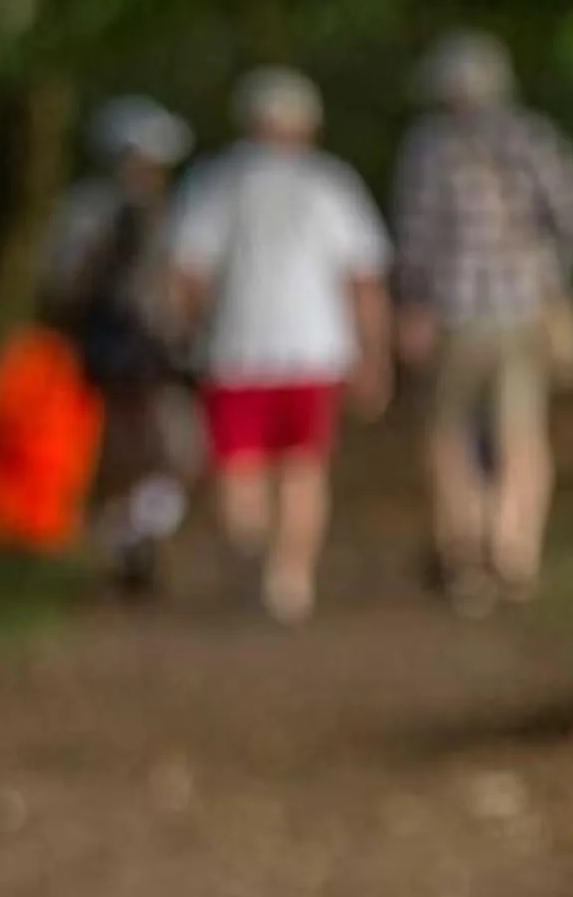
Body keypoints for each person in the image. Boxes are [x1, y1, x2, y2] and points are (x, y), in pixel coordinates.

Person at [167, 67, 393, 624]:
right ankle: (290, 578)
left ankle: (251, 564)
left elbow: (187, 274)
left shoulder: (216, 182)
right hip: (315, 350)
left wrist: (193, 330)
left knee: (238, 468)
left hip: (234, 348)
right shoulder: (330, 183)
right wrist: (373, 354)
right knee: (303, 468)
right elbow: (363, 279)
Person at [389, 31, 573, 612]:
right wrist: (545, 268)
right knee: (521, 435)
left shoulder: (430, 147)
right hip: (525, 311)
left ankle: (465, 553)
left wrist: (411, 307)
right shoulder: (535, 138)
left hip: (456, 314)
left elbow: (415, 239)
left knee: (448, 434)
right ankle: (514, 549)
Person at [40, 95, 197, 594]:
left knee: (166, 448)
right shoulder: (97, 212)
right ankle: (126, 542)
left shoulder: (160, 212)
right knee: (126, 451)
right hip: (115, 351)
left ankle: (135, 536)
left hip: (140, 352)